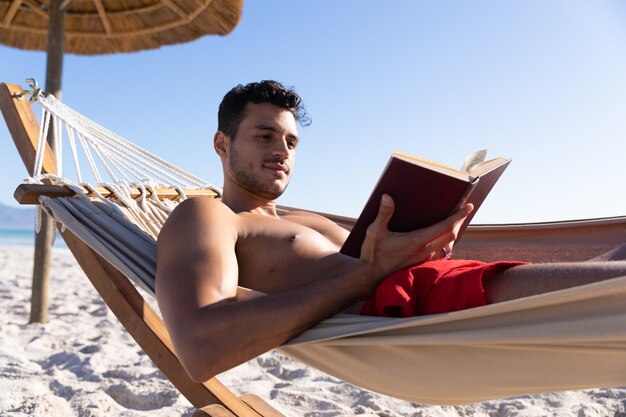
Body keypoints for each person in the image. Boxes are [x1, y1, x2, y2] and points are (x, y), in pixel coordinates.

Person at [155, 80, 626, 383]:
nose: (282, 150)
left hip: (450, 286)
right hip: (422, 303)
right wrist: (366, 276)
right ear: (222, 143)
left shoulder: (303, 221)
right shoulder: (208, 217)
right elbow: (200, 349)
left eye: (291, 141)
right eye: (264, 136)